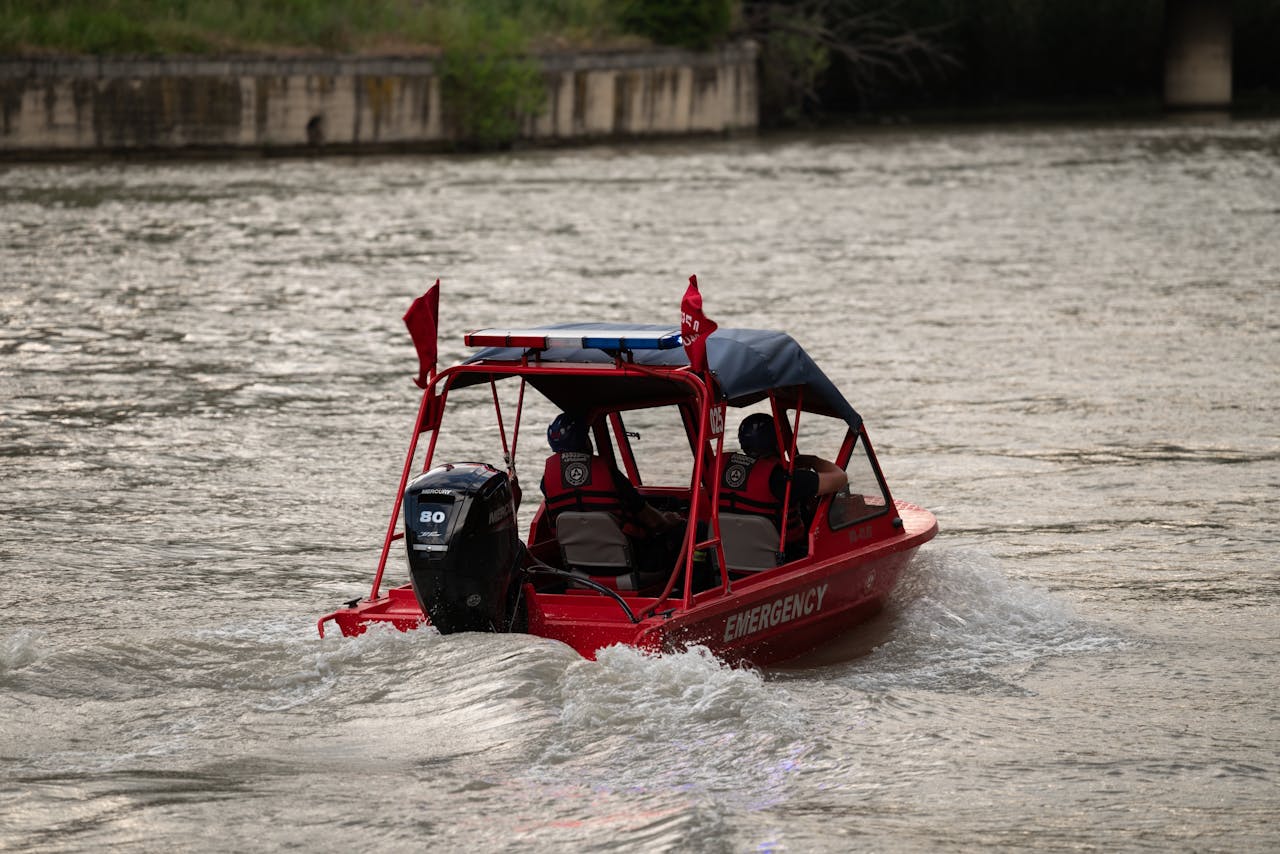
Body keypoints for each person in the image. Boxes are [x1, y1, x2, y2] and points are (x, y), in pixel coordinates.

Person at [540, 412, 683, 570]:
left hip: (578, 568)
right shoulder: (609, 474)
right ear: (584, 440)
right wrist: (669, 519)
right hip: (632, 564)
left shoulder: (546, 481)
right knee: (689, 530)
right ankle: (693, 587)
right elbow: (654, 522)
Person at [717, 413, 848, 555]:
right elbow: (840, 478)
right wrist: (812, 461)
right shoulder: (785, 479)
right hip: (780, 559)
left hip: (729, 556)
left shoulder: (722, 470)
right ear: (777, 443)